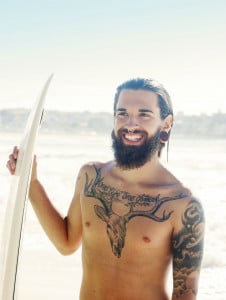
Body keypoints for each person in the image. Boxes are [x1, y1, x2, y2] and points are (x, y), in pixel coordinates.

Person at [7, 78, 205, 300]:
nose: (130, 123)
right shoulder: (91, 177)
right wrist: (31, 183)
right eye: (122, 113)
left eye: (144, 114)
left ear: (166, 123)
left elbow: (185, 296)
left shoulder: (182, 204)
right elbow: (66, 243)